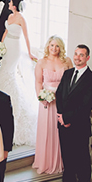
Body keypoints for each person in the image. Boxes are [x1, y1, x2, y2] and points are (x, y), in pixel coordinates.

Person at [53, 45, 92, 182]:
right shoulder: (67, 74)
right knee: (66, 154)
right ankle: (68, 181)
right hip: (63, 123)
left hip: (78, 126)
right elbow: (59, 95)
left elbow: (86, 105)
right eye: (76, 54)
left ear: (87, 58)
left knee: (81, 158)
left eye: (81, 55)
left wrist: (68, 118)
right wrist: (61, 117)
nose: (77, 57)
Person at [0, 0, 38, 146]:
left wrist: (30, 53)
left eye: (11, 2)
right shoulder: (10, 16)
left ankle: (14, 103)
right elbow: (6, 32)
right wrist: (0, 45)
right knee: (3, 69)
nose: (9, 2)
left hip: (15, 48)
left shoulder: (21, 18)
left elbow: (26, 36)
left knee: (9, 72)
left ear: (15, 4)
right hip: (6, 46)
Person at [32, 35, 72, 174]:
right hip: (47, 102)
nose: (54, 48)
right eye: (52, 45)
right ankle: (45, 162)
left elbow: (71, 82)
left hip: (62, 101)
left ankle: (61, 161)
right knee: (47, 130)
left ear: (60, 47)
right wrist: (40, 97)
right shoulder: (41, 62)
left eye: (57, 46)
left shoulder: (66, 61)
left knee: (60, 131)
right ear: (48, 46)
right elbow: (38, 82)